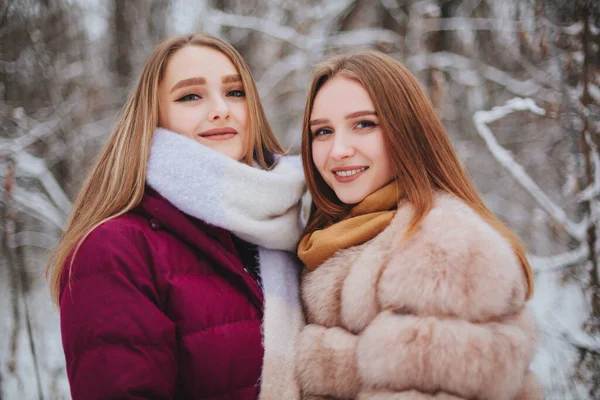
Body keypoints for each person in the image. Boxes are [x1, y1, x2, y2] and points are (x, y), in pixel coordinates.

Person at [47, 33, 305, 400]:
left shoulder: (295, 224)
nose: (221, 109)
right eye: (190, 96)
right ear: (155, 117)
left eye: (235, 92)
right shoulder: (115, 250)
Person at [294, 51, 543, 399]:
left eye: (364, 124)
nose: (337, 150)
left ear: (406, 130)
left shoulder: (441, 247)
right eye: (322, 131)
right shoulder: (333, 236)